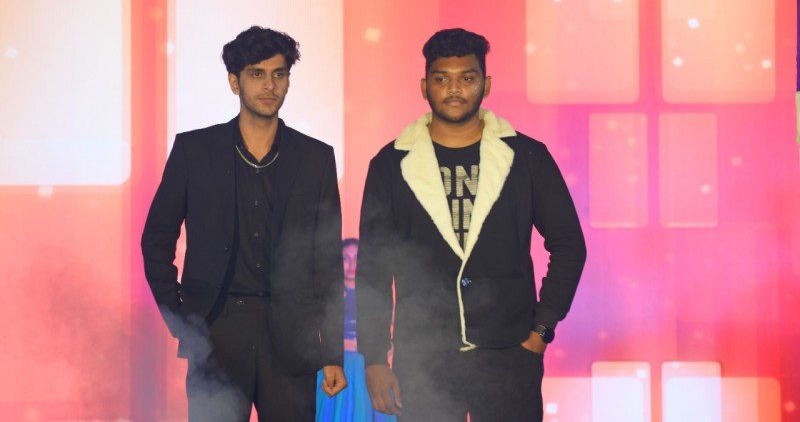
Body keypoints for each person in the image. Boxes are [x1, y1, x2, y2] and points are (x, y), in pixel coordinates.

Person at [356, 28, 586, 421]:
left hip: (510, 353)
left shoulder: (526, 156)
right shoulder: (390, 164)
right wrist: (374, 357)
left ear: (486, 84)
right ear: (424, 86)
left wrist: (541, 330)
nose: (454, 89)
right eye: (441, 78)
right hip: (423, 357)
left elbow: (568, 243)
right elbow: (374, 268)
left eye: (467, 77)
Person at [141, 26, 346, 421]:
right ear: (234, 82)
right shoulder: (194, 150)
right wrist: (181, 319)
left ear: (288, 81)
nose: (270, 85)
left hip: (291, 337)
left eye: (279, 74)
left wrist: (332, 351)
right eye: (257, 74)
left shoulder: (315, 158)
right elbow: (157, 238)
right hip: (216, 332)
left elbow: (327, 262)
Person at [315, 238, 397, 422]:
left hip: (368, 366)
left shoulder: (376, 297)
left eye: (356, 258)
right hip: (335, 366)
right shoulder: (327, 298)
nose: (352, 264)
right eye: (345, 258)